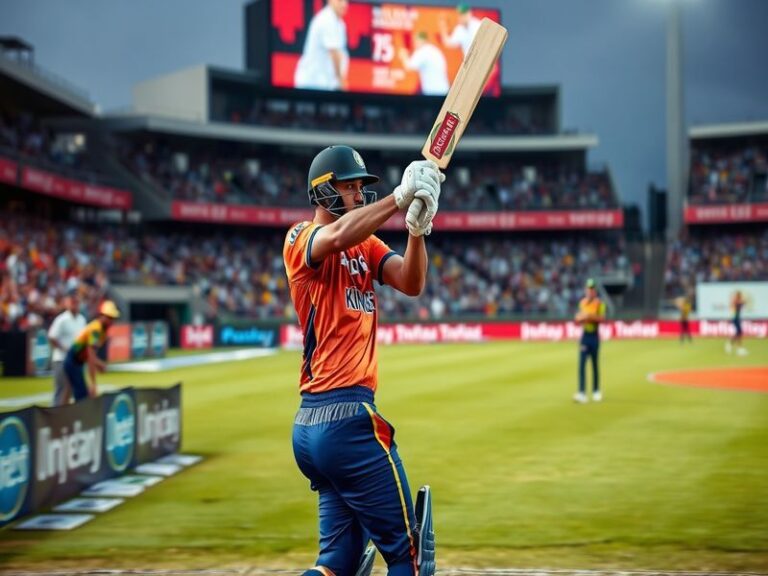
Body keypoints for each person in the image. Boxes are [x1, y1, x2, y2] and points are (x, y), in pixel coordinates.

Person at [284, 145, 442, 576]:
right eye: (349, 187)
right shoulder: (300, 238)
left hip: (314, 428)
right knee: (410, 560)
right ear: (323, 192)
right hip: (347, 419)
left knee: (337, 564)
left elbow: (410, 282)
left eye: (359, 187)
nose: (357, 194)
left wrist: (416, 227)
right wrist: (397, 197)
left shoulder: (367, 244)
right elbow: (334, 237)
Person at [63, 300, 120, 402]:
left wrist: (99, 364)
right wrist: (93, 384)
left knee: (73, 392)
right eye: (109, 317)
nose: (111, 321)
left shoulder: (103, 331)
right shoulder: (96, 329)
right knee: (81, 394)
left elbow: (90, 355)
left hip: (78, 361)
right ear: (102, 315)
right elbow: (90, 357)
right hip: (73, 361)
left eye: (113, 318)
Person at [294, 0, 349, 91]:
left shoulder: (340, 23)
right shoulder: (326, 19)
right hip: (311, 84)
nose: (344, 4)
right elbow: (334, 53)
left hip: (324, 85)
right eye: (340, 1)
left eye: (346, 1)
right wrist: (341, 81)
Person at [47, 293, 87, 406]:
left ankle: (65, 417)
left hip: (75, 360)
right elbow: (52, 336)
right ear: (67, 303)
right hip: (61, 359)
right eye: (72, 302)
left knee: (70, 390)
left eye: (77, 302)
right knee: (62, 389)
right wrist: (64, 349)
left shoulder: (81, 319)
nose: (75, 305)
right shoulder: (62, 319)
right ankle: (56, 416)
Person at [574, 278, 606, 403]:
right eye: (588, 289)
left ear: (595, 291)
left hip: (594, 335)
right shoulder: (582, 303)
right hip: (585, 336)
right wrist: (582, 318)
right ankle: (582, 392)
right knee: (581, 365)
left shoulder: (599, 304)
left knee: (594, 364)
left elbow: (602, 319)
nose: (590, 291)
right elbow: (578, 319)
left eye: (592, 289)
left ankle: (596, 391)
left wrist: (589, 316)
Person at [726, 290, 747, 356]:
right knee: (739, 332)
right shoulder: (736, 301)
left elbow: (743, 303)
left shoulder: (737, 301)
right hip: (735, 318)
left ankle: (730, 344)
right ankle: (738, 348)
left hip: (737, 318)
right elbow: (740, 303)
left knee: (738, 333)